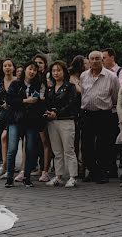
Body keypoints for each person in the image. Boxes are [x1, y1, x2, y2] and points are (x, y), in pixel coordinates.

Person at [80, 50, 119, 184]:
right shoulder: (83, 76)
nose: (95, 61)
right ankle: (93, 171)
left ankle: (103, 173)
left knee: (104, 146)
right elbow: (84, 94)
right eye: (92, 59)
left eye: (98, 58)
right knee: (86, 146)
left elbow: (115, 97)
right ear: (89, 61)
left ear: (102, 60)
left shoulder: (111, 77)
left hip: (104, 115)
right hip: (87, 114)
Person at [5, 61, 44, 188]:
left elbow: (42, 102)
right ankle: (9, 177)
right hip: (15, 120)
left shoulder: (38, 85)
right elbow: (10, 100)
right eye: (30, 69)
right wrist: (25, 101)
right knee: (12, 149)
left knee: (30, 149)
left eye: (34, 70)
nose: (32, 72)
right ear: (25, 70)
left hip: (31, 121)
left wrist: (39, 101)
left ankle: (27, 177)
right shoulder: (16, 84)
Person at [44, 61, 79, 188]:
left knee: (69, 150)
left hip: (66, 120)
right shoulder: (50, 88)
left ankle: (73, 176)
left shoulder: (70, 87)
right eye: (53, 70)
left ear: (64, 72)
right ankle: (58, 176)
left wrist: (57, 112)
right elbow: (46, 104)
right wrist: (48, 113)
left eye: (58, 70)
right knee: (57, 151)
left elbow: (72, 104)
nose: (56, 73)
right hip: (52, 122)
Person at [102, 47, 122, 178]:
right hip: (108, 113)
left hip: (119, 113)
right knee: (109, 142)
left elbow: (119, 89)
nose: (102, 60)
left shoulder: (121, 72)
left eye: (104, 58)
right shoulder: (101, 72)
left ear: (112, 57)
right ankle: (111, 169)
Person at [0, 59, 17, 177]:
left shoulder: (17, 81)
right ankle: (5, 165)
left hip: (14, 114)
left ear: (13, 67)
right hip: (0, 114)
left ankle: (7, 167)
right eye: (5, 66)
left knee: (4, 137)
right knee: (1, 140)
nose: (7, 68)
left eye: (9, 65)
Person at [33, 53, 51, 183]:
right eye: (36, 63)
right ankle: (40, 167)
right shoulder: (33, 78)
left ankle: (46, 170)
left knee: (45, 142)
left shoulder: (48, 77)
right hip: (34, 112)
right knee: (37, 143)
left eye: (40, 62)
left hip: (44, 111)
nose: (38, 65)